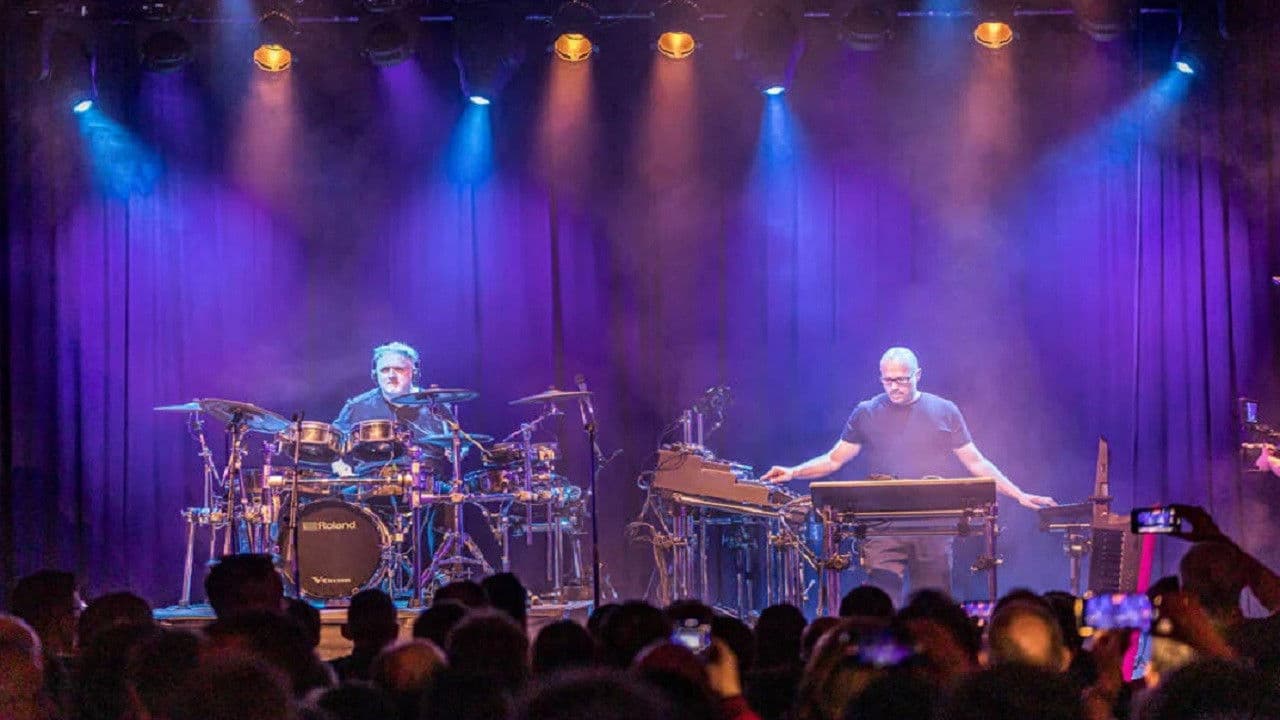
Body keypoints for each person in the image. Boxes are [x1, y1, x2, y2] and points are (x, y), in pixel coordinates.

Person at [760, 347, 1056, 601]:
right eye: (887, 380)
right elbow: (834, 459)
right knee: (881, 602)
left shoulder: (945, 410)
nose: (894, 387)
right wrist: (793, 471)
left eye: (901, 379)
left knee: (932, 604)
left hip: (933, 525)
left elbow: (976, 463)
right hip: (882, 527)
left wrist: (1019, 494)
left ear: (918, 375)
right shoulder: (866, 411)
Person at [333, 341, 446, 475]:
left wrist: (457, 451)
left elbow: (457, 443)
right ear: (375, 374)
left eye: (399, 369)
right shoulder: (357, 406)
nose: (391, 375)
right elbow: (333, 443)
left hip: (426, 480)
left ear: (414, 373)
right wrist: (339, 466)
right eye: (385, 370)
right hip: (371, 482)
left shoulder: (435, 405)